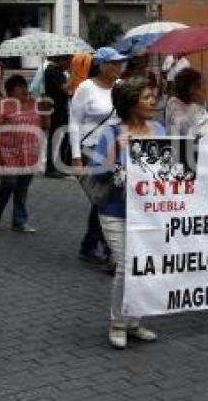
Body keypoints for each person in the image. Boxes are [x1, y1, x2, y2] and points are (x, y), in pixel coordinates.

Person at [92, 77, 164, 349]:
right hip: (115, 211)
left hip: (148, 213)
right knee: (126, 265)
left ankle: (134, 321)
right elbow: (97, 172)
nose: (152, 102)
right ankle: (118, 323)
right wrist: (116, 148)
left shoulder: (158, 128)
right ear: (131, 103)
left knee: (143, 267)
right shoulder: (111, 133)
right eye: (146, 98)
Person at [70, 47, 127, 267]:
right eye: (113, 63)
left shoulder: (122, 87)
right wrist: (76, 157)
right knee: (103, 196)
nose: (118, 67)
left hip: (116, 147)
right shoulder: (86, 88)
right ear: (102, 65)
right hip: (90, 149)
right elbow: (74, 122)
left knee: (104, 198)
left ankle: (92, 244)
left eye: (119, 63)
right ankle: (108, 249)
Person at [0, 75, 48, 232]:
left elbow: (45, 126)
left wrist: (46, 112)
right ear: (10, 90)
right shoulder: (3, 106)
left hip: (29, 154)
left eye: (24, 85)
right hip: (8, 154)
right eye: (20, 86)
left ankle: (19, 220)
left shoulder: (35, 104)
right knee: (9, 183)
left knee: (22, 188)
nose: (24, 89)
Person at [43, 54, 72, 178]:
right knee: (55, 137)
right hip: (55, 109)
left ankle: (60, 165)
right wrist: (73, 78)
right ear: (60, 60)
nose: (69, 65)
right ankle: (51, 168)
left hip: (63, 108)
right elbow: (66, 90)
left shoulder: (60, 72)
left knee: (64, 137)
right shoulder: (51, 71)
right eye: (68, 62)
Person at [165, 68, 208, 138]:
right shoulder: (196, 113)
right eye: (201, 86)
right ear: (192, 89)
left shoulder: (172, 103)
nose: (205, 90)